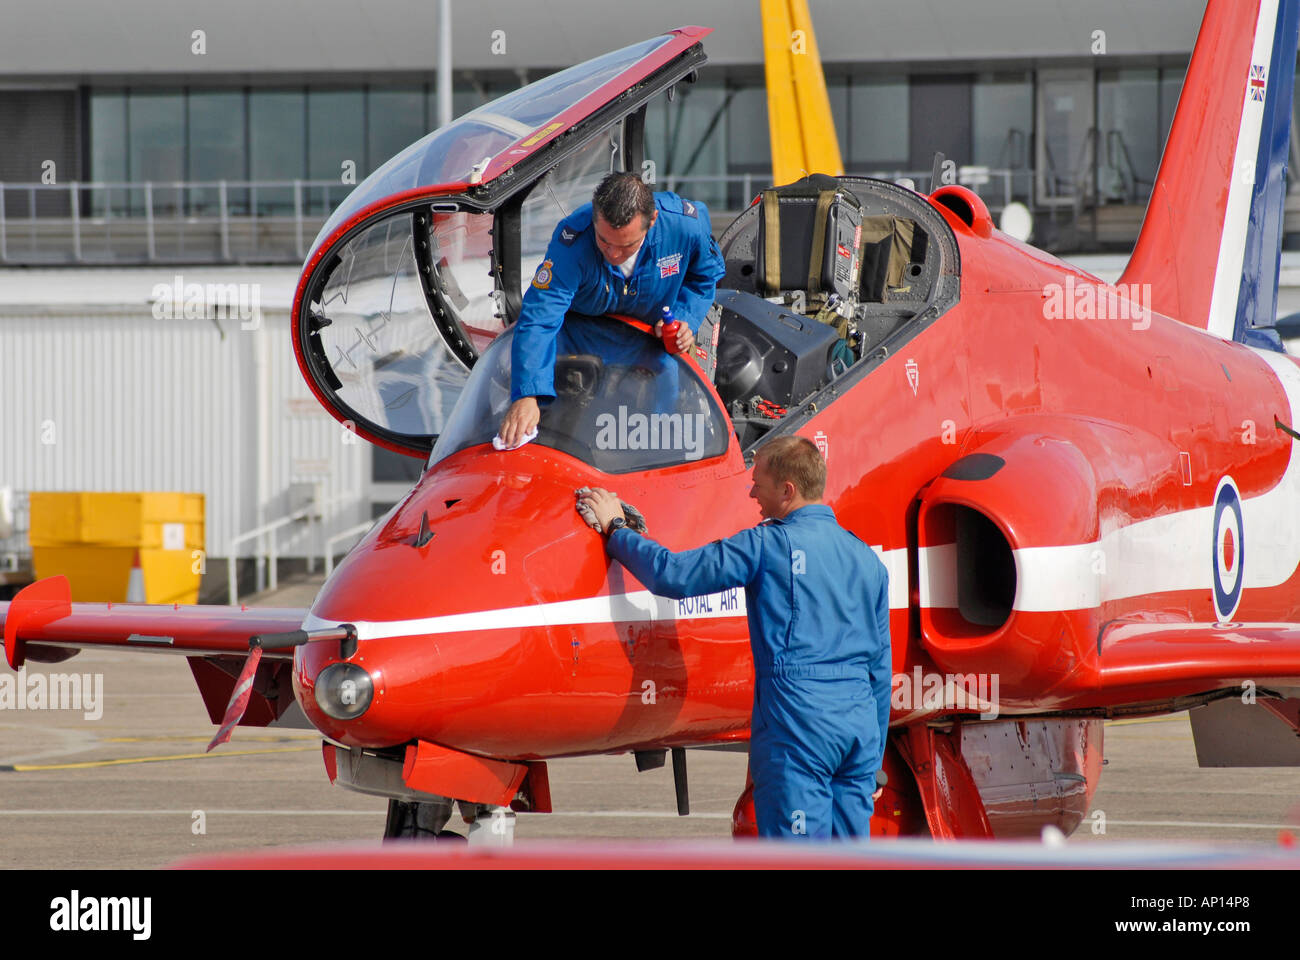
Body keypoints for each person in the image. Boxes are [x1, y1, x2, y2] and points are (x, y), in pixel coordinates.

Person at [576, 436, 891, 839]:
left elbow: (673, 575)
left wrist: (616, 528)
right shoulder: (867, 559)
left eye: (758, 483)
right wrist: (872, 760)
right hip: (859, 733)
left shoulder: (767, 544)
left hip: (800, 726)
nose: (751, 491)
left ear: (787, 490)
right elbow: (881, 673)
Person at [497, 172, 726, 448]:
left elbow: (704, 276)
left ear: (651, 221)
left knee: (668, 392)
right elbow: (540, 318)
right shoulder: (572, 242)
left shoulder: (685, 226)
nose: (614, 255)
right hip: (582, 335)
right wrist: (526, 395)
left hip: (649, 339)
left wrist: (682, 319)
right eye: (604, 241)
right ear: (594, 219)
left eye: (626, 245)